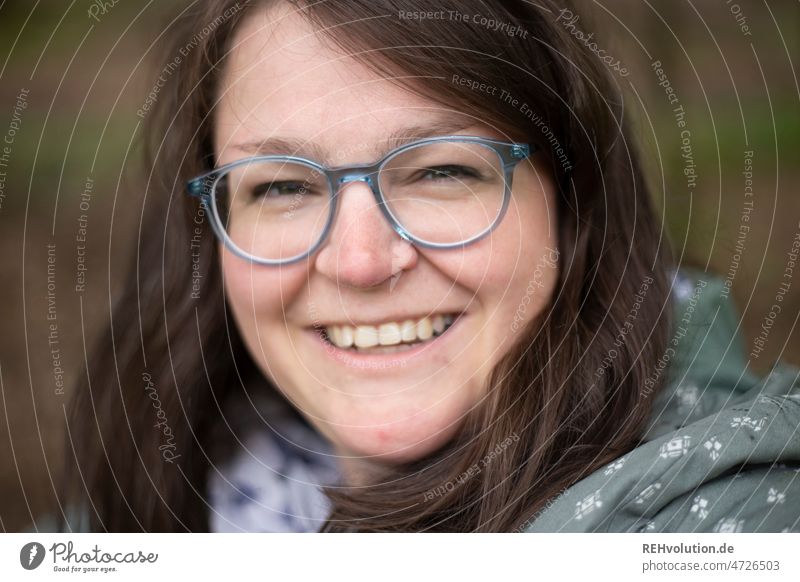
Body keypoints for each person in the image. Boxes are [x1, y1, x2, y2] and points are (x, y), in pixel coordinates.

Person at [60, 0, 800, 532]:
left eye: (442, 172)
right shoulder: (141, 513)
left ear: (576, 202)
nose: (358, 262)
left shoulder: (730, 520)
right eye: (282, 185)